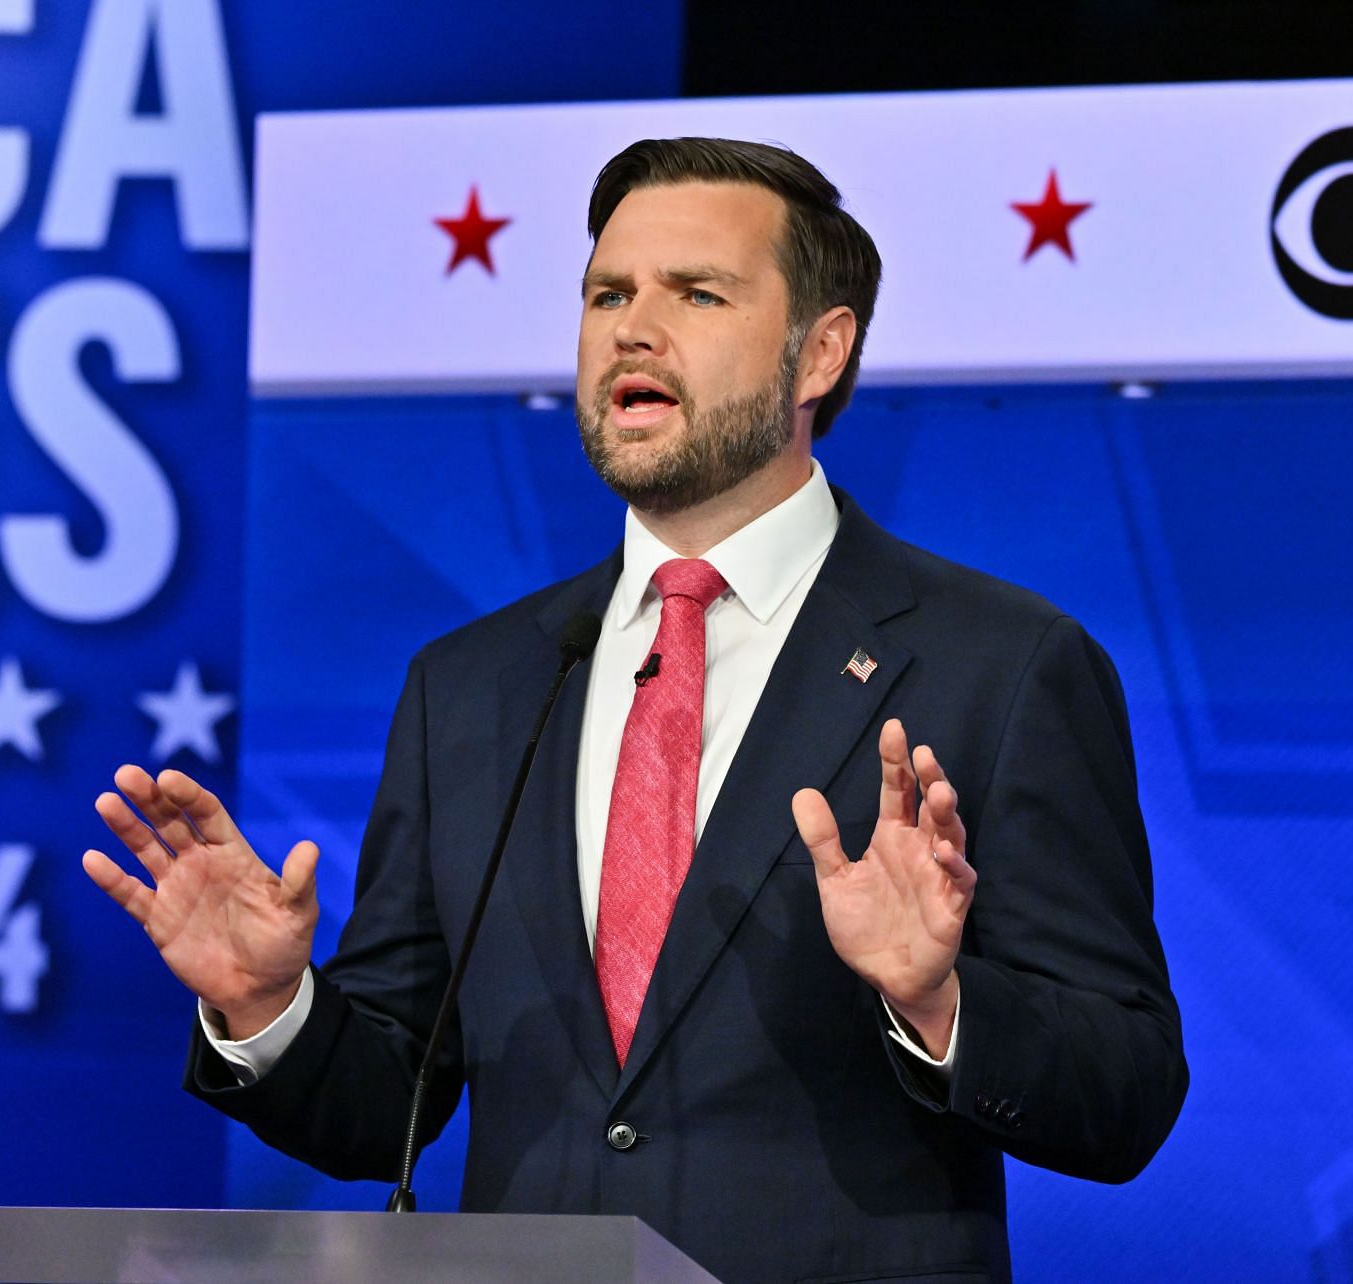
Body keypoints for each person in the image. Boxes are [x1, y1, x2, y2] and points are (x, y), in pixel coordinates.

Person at [84, 137, 1186, 1284]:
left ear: (820, 353)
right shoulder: (473, 682)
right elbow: (383, 1111)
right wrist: (271, 1008)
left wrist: (939, 999)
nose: (631, 329)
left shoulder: (1000, 666)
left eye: (697, 294)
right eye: (608, 293)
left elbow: (1129, 1093)